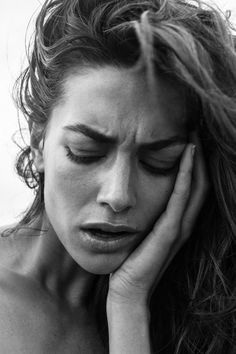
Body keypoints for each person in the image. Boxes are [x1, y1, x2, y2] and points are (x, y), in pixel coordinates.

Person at [0, 0, 235, 352]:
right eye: (85, 152)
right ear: (38, 141)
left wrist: (128, 304)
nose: (119, 195)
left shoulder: (204, 314)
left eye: (160, 161)